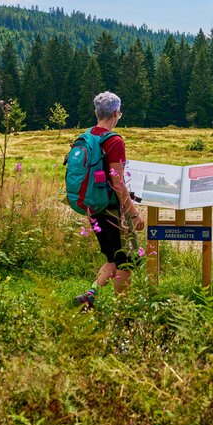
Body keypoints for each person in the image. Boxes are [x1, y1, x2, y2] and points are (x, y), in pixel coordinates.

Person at [75, 91, 144, 308]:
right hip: (113, 211)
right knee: (126, 261)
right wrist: (133, 212)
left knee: (112, 259)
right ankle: (122, 310)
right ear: (116, 113)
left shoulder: (86, 137)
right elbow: (118, 182)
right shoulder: (113, 141)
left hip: (93, 208)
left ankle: (90, 294)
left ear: (97, 113)